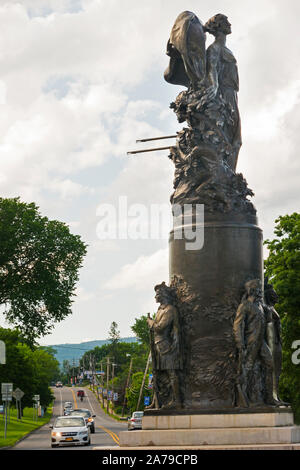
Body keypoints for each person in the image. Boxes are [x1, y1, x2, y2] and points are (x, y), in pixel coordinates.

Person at [201, 14, 242, 171]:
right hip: (224, 95)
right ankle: (225, 174)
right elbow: (212, 70)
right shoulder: (214, 49)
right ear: (218, 27)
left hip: (232, 95)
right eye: (225, 22)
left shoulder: (225, 49)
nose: (229, 24)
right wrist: (214, 86)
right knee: (230, 139)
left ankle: (229, 175)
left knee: (236, 140)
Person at [234, 279, 275, 407]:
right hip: (250, 341)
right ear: (252, 290)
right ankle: (243, 396)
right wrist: (240, 343)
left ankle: (269, 397)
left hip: (260, 342)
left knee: (270, 365)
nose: (260, 291)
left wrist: (268, 310)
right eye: (258, 289)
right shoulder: (244, 306)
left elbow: (268, 320)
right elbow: (238, 325)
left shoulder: (260, 305)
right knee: (247, 368)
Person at [147, 282, 183, 409]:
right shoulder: (160, 309)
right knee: (157, 375)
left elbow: (160, 327)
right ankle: (157, 401)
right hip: (158, 345)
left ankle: (177, 401)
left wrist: (150, 322)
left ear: (163, 295)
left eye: (157, 294)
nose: (155, 296)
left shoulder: (170, 310)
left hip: (166, 346)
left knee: (171, 373)